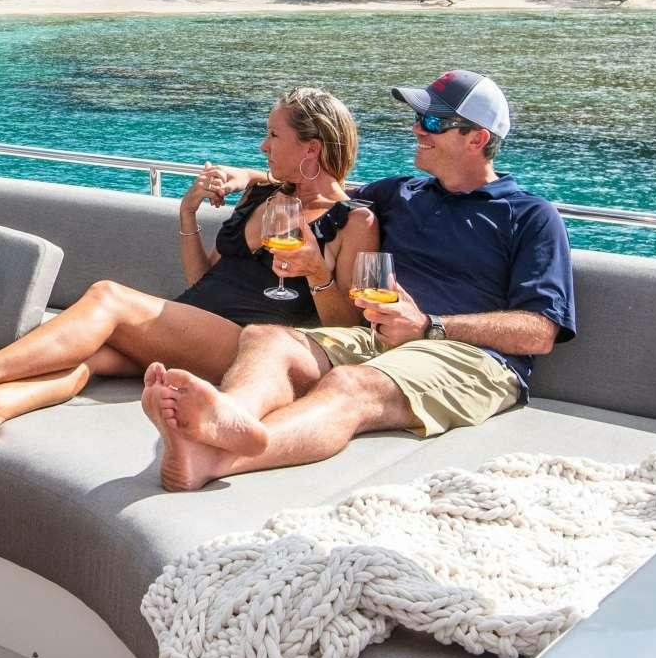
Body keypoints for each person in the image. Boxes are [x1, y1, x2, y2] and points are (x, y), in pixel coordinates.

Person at [144, 69, 576, 492]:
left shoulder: (531, 216)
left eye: (432, 122)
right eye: (418, 118)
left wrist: (431, 325)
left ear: (477, 139)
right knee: (266, 337)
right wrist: (251, 176)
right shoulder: (399, 194)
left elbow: (540, 331)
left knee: (351, 385)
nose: (416, 129)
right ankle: (224, 421)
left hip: (470, 356)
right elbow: (325, 186)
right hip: (382, 338)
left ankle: (213, 458)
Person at [0, 89, 378, 445]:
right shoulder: (261, 193)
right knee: (90, 356)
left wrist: (317, 271)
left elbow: (346, 326)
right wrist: (187, 215)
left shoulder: (354, 222)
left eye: (273, 135)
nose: (262, 147)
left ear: (311, 148)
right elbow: (204, 283)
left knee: (107, 297)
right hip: (194, 325)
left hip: (250, 345)